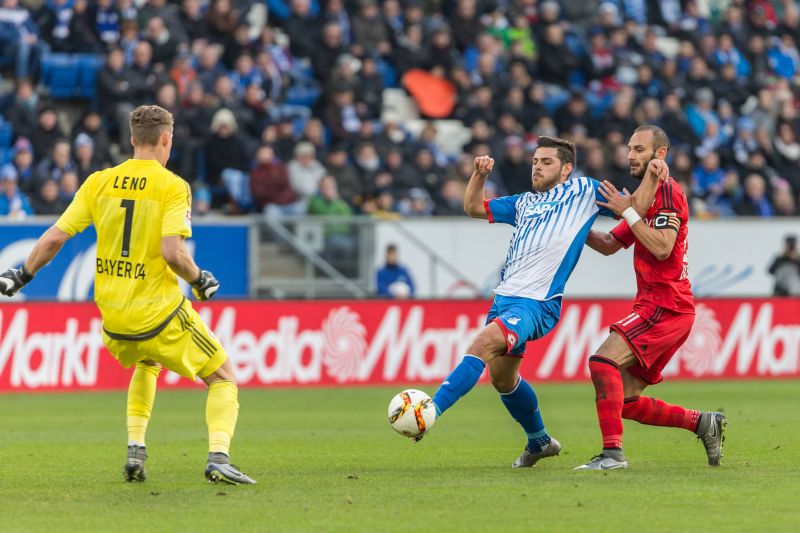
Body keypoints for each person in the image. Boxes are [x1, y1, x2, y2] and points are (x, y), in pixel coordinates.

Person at [0, 105, 255, 485]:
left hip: (115, 321)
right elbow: (173, 253)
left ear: (132, 140)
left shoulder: (99, 181)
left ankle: (136, 448)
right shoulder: (172, 186)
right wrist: (201, 279)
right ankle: (219, 456)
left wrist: (21, 275)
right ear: (166, 139)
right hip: (159, 314)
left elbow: (54, 237)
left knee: (148, 362)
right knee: (223, 377)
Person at [425, 136, 662, 468]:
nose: (537, 166)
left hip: (537, 302)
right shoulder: (523, 202)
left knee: (483, 342)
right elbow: (474, 208)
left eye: (546, 162)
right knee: (502, 379)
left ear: (566, 169)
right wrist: (479, 175)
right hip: (504, 298)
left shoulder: (584, 192)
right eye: (535, 161)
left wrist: (653, 174)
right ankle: (539, 440)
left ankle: (428, 412)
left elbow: (635, 206)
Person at [577, 125, 727, 471]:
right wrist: (573, 224)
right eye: (630, 148)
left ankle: (612, 455)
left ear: (660, 155)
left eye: (639, 149)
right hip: (659, 306)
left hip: (667, 305)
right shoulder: (643, 199)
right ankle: (702, 422)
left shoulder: (669, 192)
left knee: (603, 362)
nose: (630, 155)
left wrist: (628, 210)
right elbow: (608, 244)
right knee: (626, 401)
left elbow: (662, 247)